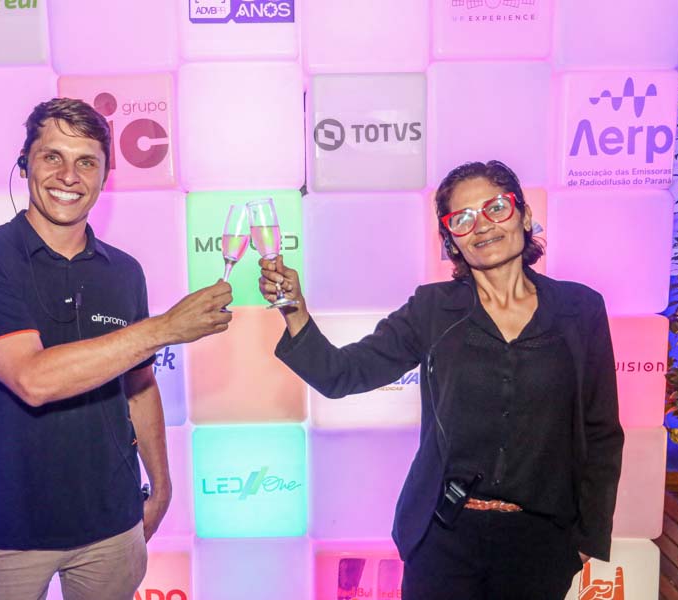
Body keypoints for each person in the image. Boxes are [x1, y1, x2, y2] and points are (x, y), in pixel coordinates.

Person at [258, 160, 624, 599]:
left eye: (495, 208)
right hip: (443, 538)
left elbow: (601, 431)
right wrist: (294, 308)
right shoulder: (432, 310)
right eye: (462, 218)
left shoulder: (580, 310)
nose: (481, 226)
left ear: (524, 216)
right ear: (451, 239)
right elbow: (341, 375)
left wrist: (585, 540)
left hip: (540, 544)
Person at [0, 98, 232, 600]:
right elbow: (33, 379)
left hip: (112, 527)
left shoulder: (124, 271)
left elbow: (139, 385)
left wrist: (161, 486)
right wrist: (164, 328)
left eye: (86, 162)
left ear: (103, 178)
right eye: (52, 156)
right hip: (10, 529)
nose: (69, 176)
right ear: (24, 163)